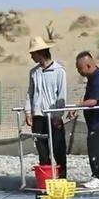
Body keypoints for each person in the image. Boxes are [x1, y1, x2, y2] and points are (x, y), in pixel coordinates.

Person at [25, 36, 67, 178]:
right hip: (38, 116)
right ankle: (46, 178)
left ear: (40, 53)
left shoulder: (59, 71)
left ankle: (61, 178)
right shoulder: (34, 72)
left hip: (52, 116)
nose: (31, 56)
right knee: (42, 149)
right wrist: (28, 111)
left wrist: (58, 115)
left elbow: (61, 95)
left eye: (33, 53)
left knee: (58, 148)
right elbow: (30, 93)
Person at [73, 51, 99, 189]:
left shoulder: (98, 79)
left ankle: (98, 176)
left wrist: (77, 106)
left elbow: (93, 101)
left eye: (80, 68)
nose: (79, 72)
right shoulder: (93, 78)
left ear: (88, 65)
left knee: (96, 149)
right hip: (98, 122)